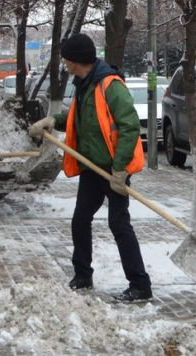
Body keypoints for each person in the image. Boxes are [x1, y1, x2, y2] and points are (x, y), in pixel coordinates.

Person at [29, 33, 152, 303]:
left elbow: (130, 127)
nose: (64, 63)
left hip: (112, 168)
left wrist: (120, 170)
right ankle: (83, 275)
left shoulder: (110, 85)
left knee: (119, 224)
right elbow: (79, 120)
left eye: (66, 59)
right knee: (80, 220)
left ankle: (140, 285)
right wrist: (53, 120)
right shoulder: (85, 84)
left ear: (76, 61)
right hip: (91, 167)